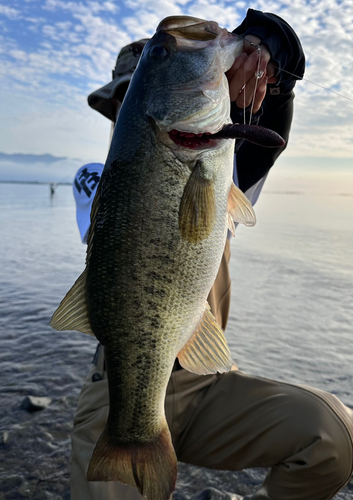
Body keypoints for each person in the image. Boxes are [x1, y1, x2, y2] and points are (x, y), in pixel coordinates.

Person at [70, 10, 353, 500]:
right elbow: (115, 243)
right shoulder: (94, 176)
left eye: (129, 96)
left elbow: (266, 136)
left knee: (334, 432)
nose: (123, 111)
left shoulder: (222, 167)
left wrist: (273, 63)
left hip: (206, 381)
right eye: (122, 99)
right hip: (119, 385)